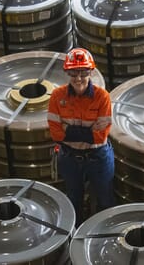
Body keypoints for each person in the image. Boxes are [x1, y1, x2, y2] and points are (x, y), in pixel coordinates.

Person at [47, 48, 115, 226]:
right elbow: (55, 133)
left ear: (91, 72)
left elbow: (100, 137)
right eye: (73, 73)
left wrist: (68, 130)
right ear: (67, 73)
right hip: (70, 158)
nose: (78, 78)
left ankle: (102, 237)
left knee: (105, 201)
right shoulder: (57, 96)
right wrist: (89, 132)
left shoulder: (102, 97)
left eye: (83, 72)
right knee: (73, 200)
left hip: (98, 157)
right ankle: (75, 237)